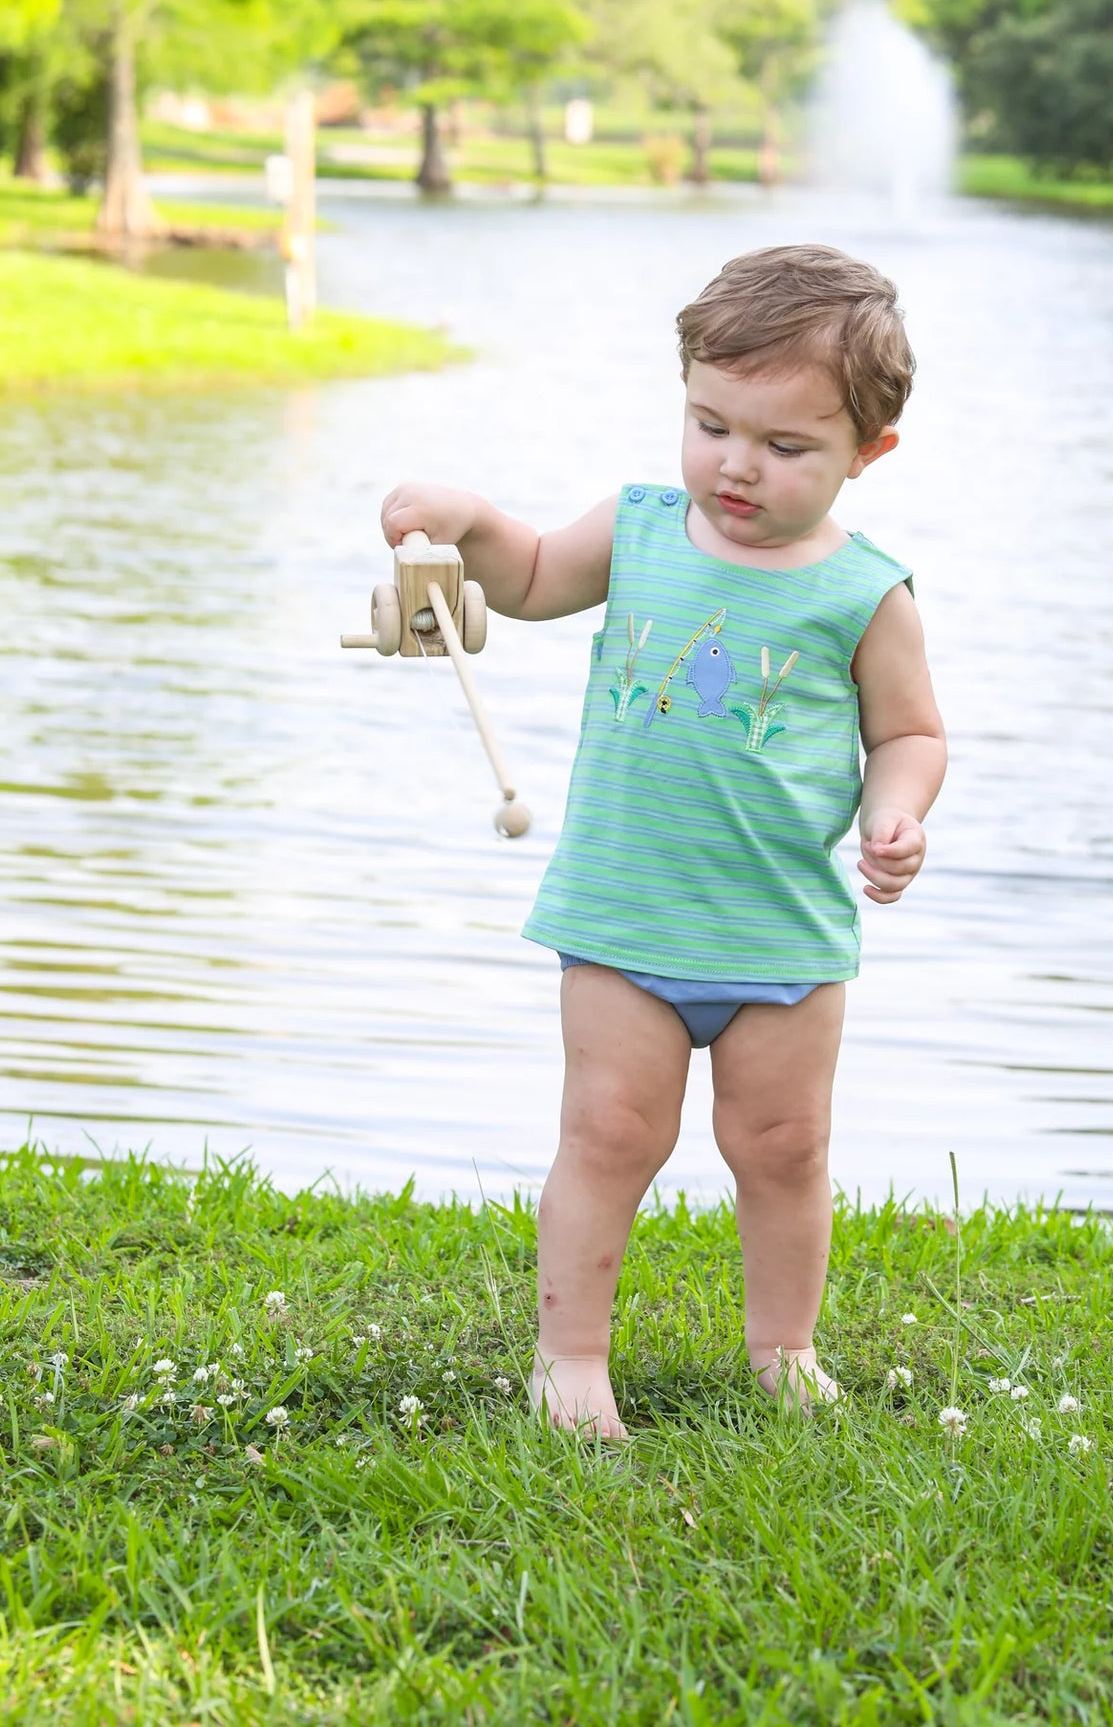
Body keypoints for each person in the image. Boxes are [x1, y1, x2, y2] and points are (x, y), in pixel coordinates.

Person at [381, 243, 946, 1439]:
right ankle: (570, 1359)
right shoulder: (641, 531)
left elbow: (908, 730)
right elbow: (528, 578)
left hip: (780, 929)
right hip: (622, 916)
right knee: (607, 1131)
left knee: (783, 1146)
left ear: (866, 453)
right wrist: (469, 521)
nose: (736, 465)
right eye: (710, 423)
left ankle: (783, 1347)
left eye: (785, 446)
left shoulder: (863, 591)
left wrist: (899, 811)